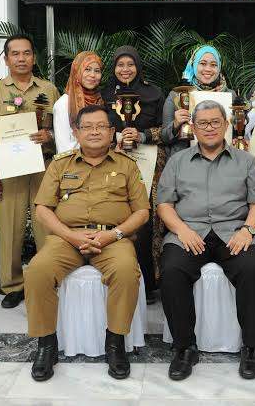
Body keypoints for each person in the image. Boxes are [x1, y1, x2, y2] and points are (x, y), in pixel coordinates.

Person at [25, 105, 149, 382]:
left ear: (112, 132)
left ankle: (115, 344)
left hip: (112, 238)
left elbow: (142, 211)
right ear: (76, 132)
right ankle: (46, 345)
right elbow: (43, 208)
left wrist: (113, 235)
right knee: (37, 271)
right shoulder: (60, 164)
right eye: (88, 127)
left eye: (101, 126)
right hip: (67, 238)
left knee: (127, 271)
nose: (94, 132)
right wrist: (71, 236)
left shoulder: (127, 165)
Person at [157, 100, 255, 381]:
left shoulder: (246, 161)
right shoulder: (177, 161)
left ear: (226, 125)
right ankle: (184, 348)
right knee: (171, 271)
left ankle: (252, 347)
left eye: (215, 122)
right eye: (202, 123)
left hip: (234, 231)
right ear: (192, 127)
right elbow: (164, 205)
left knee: (253, 268)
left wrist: (247, 231)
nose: (209, 128)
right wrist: (180, 230)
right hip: (189, 231)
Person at [0, 34, 60, 309]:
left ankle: (47, 279)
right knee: (9, 229)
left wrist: (50, 136)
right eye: (15, 54)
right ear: (6, 58)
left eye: (26, 53)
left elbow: (63, 131)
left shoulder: (49, 89)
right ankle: (13, 284)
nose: (21, 58)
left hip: (43, 168)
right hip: (9, 170)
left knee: (45, 226)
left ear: (34, 57)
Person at [100, 45, 165, 303]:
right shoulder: (104, 94)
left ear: (138, 66)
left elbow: (166, 130)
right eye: (120, 65)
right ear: (113, 68)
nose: (125, 69)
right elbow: (95, 126)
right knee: (118, 216)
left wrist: (143, 135)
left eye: (130, 64)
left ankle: (148, 284)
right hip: (113, 162)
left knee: (146, 219)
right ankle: (118, 277)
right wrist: (115, 137)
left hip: (147, 164)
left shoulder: (154, 93)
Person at [161, 45, 227, 160]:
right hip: (184, 164)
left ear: (219, 67)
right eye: (202, 63)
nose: (208, 69)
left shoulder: (229, 96)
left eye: (213, 65)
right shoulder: (177, 95)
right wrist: (176, 124)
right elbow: (164, 137)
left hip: (221, 162)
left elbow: (236, 133)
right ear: (194, 64)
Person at [52, 51, 104, 153]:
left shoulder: (100, 100)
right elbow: (64, 147)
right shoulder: (64, 103)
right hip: (75, 164)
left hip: (100, 162)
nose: (92, 75)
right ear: (76, 71)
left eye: (97, 71)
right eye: (87, 69)